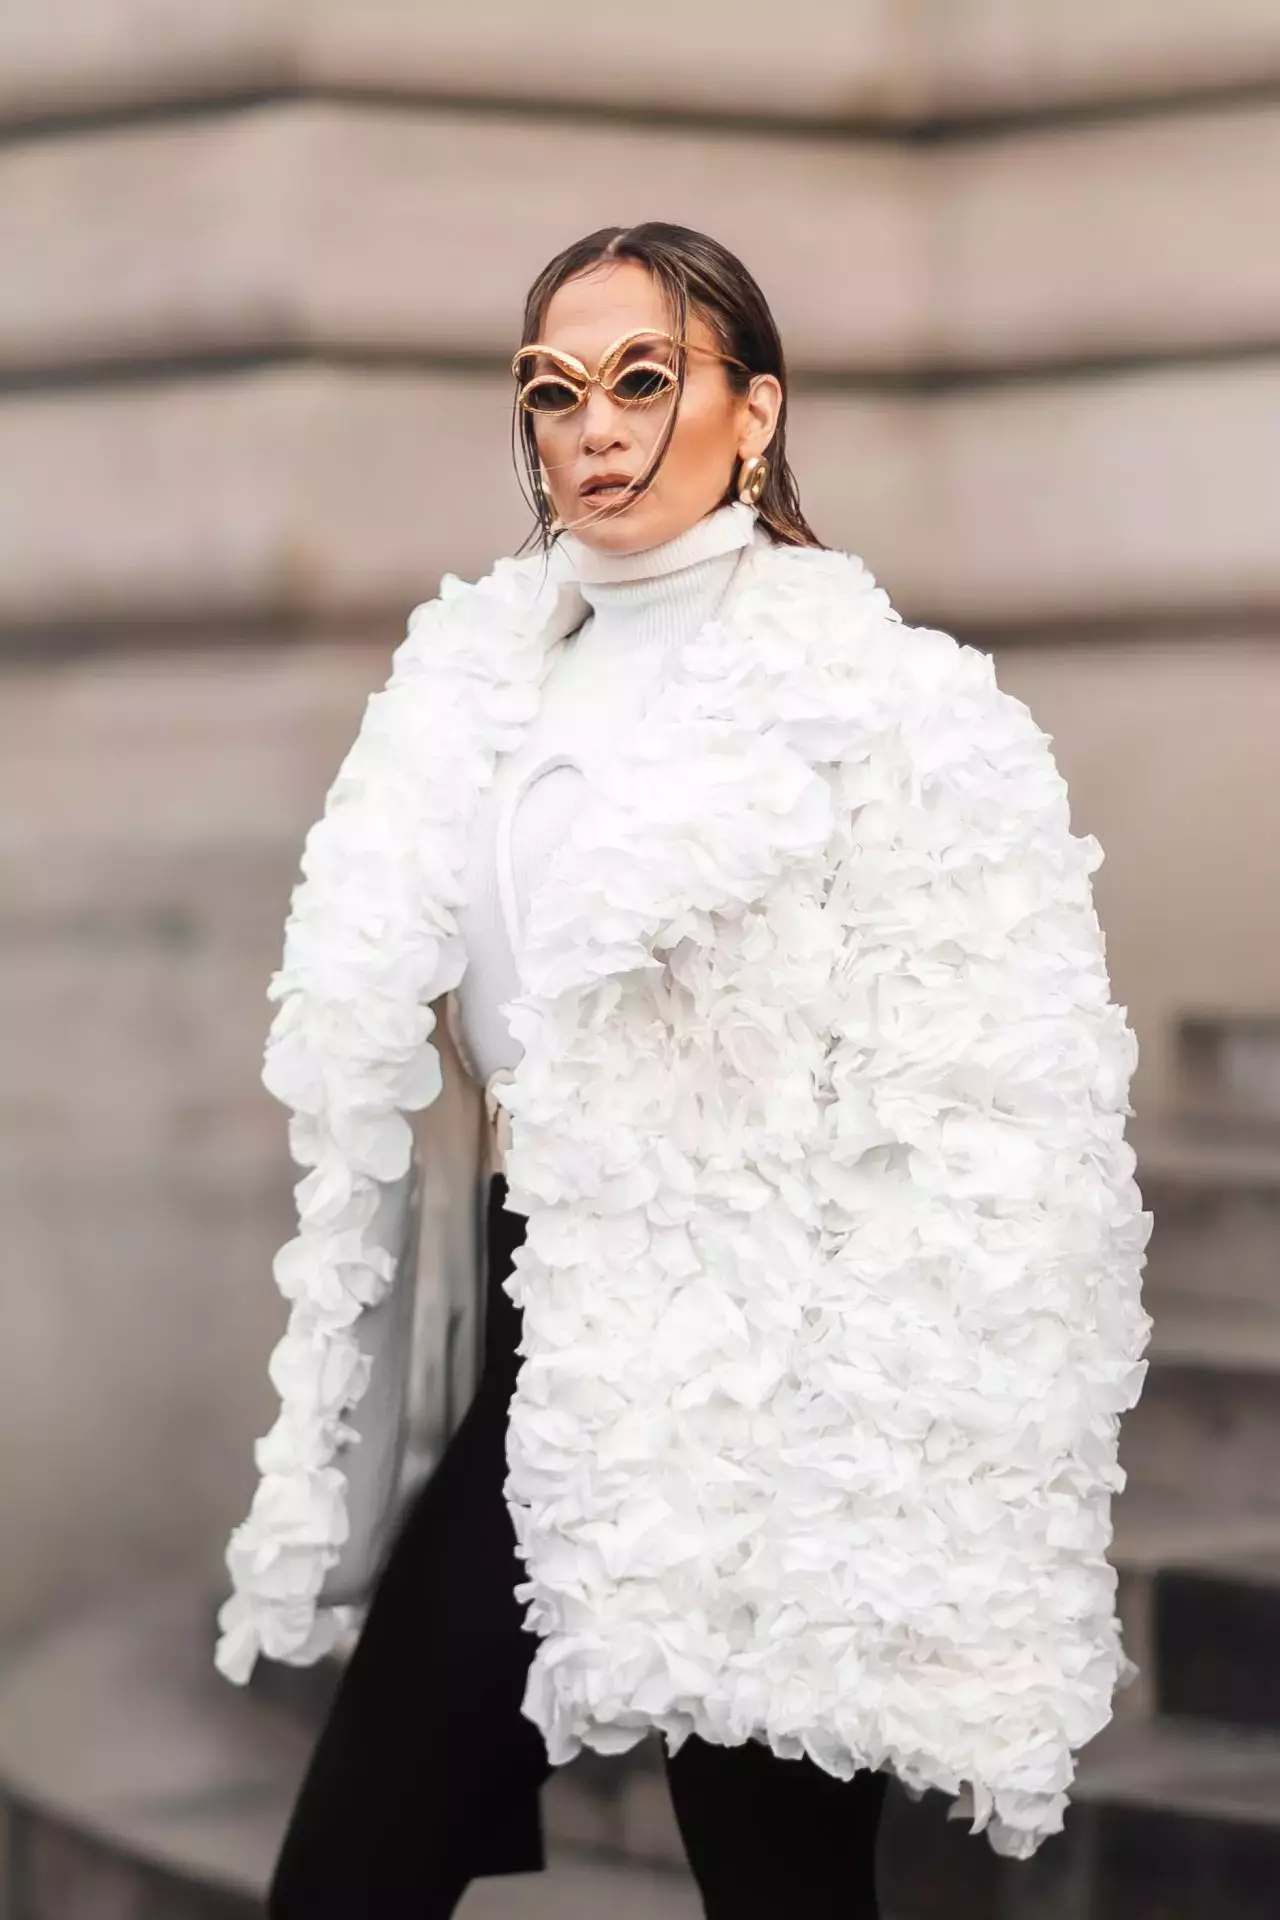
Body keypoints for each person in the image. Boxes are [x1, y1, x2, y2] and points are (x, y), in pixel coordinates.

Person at [213, 223, 1152, 1919]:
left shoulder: (891, 709)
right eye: (553, 390)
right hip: (539, 1334)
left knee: (784, 1891)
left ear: (756, 410)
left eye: (646, 379)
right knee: (351, 1870)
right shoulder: (477, 687)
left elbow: (997, 1127)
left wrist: (891, 1463)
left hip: (771, 1389)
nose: (595, 427)